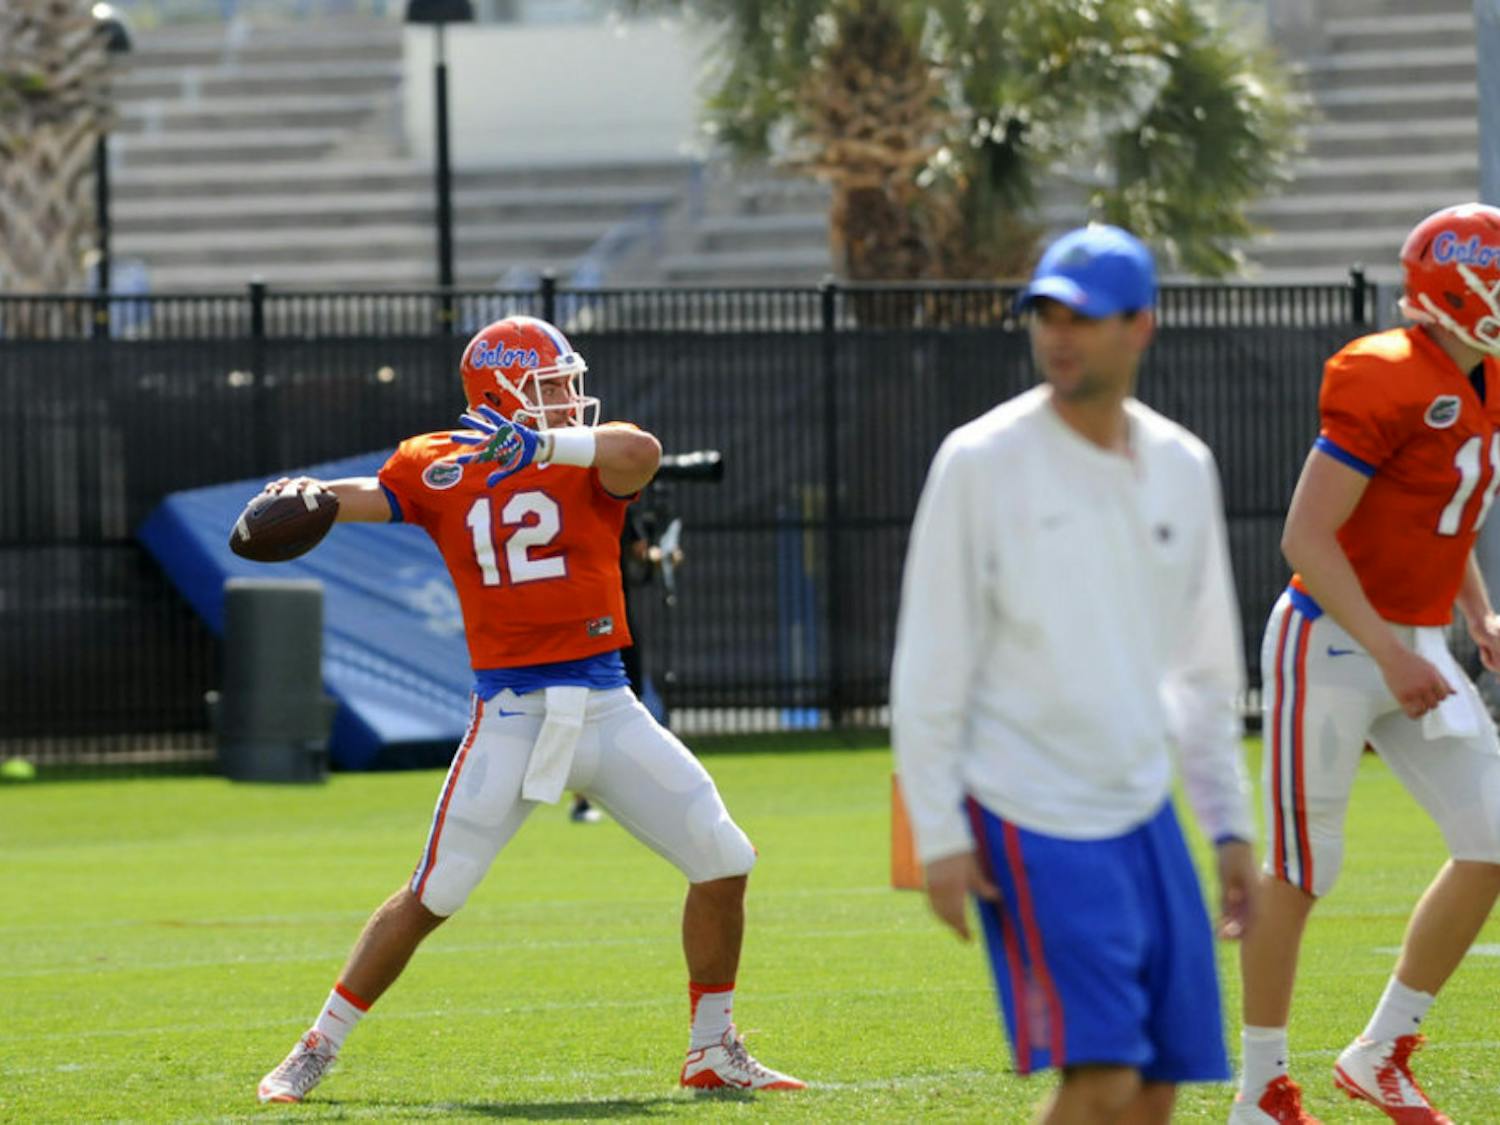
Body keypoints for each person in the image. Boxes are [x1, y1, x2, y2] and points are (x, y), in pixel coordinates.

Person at [254, 314, 804, 1103]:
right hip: (510, 712)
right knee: (434, 892)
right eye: (553, 386)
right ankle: (316, 1046)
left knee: (725, 860)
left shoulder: (580, 458)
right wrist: (309, 492)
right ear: (501, 391)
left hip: (607, 703)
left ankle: (712, 1046)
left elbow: (638, 451)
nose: (571, 399)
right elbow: (374, 496)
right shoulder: (436, 462)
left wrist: (545, 443)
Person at [891, 223, 1258, 1125]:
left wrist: (1228, 825)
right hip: (1026, 810)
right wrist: (936, 834)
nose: (1058, 333)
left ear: (1142, 326)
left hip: (1143, 810)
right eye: (1045, 312)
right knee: (1100, 1081)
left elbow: (1207, 668)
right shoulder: (980, 461)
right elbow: (929, 662)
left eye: (1083, 316)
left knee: (1163, 1079)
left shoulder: (1182, 463)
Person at [1231, 203, 1500, 1125]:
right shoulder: (1384, 374)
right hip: (1334, 642)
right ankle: (1260, 1085)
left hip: (1413, 640)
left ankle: (1381, 1050)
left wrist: (1478, 611)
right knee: (1304, 868)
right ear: (1458, 289)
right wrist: (1391, 649)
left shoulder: (1483, 378)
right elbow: (1307, 536)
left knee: (1495, 835)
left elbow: (1439, 510)